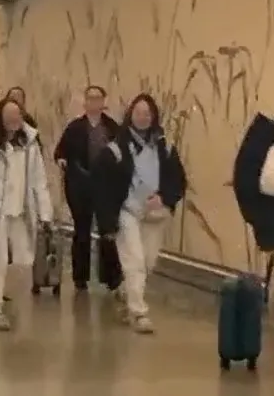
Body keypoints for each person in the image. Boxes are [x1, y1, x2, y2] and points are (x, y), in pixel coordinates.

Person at [93, 93, 186, 334]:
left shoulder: (165, 147)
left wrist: (164, 198)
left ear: (153, 116)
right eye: (138, 113)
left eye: (147, 113)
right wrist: (107, 224)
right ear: (130, 115)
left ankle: (126, 293)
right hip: (128, 211)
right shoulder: (115, 150)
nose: (143, 117)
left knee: (147, 262)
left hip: (155, 213)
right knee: (134, 260)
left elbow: (178, 180)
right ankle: (139, 312)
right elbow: (102, 188)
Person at [0, 98, 53, 330]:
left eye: (17, 115)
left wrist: (45, 214)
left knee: (24, 262)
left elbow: (39, 182)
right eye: (9, 115)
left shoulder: (30, 149)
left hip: (21, 212)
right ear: (0, 118)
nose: (14, 119)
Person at [54, 85, 123, 293]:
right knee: (82, 229)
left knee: (107, 230)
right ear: (85, 102)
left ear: (103, 102)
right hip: (80, 183)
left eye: (98, 98)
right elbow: (60, 151)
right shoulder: (75, 127)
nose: (94, 102)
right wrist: (62, 160)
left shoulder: (112, 128)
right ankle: (80, 277)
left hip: (105, 186)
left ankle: (111, 277)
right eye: (90, 98)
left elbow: (122, 154)